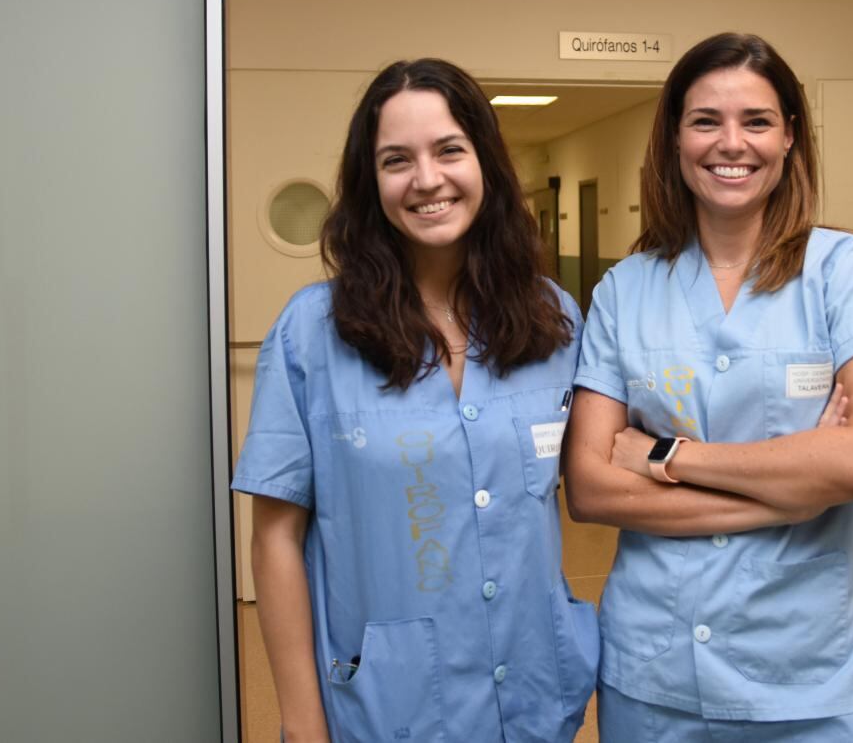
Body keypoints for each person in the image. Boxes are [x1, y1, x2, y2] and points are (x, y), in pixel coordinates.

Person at [232, 58, 599, 743]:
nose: (427, 179)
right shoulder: (312, 333)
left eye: (449, 150)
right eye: (396, 160)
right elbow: (275, 539)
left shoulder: (552, 319)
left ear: (485, 162)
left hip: (532, 695)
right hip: (387, 708)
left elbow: (599, 464)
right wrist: (303, 725)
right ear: (371, 184)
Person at [563, 33, 853, 742]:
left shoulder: (841, 269)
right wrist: (800, 482)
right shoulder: (623, 290)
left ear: (788, 137)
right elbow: (591, 489)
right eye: (704, 121)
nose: (731, 143)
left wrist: (666, 456)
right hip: (655, 673)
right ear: (672, 140)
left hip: (811, 674)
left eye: (755, 121)